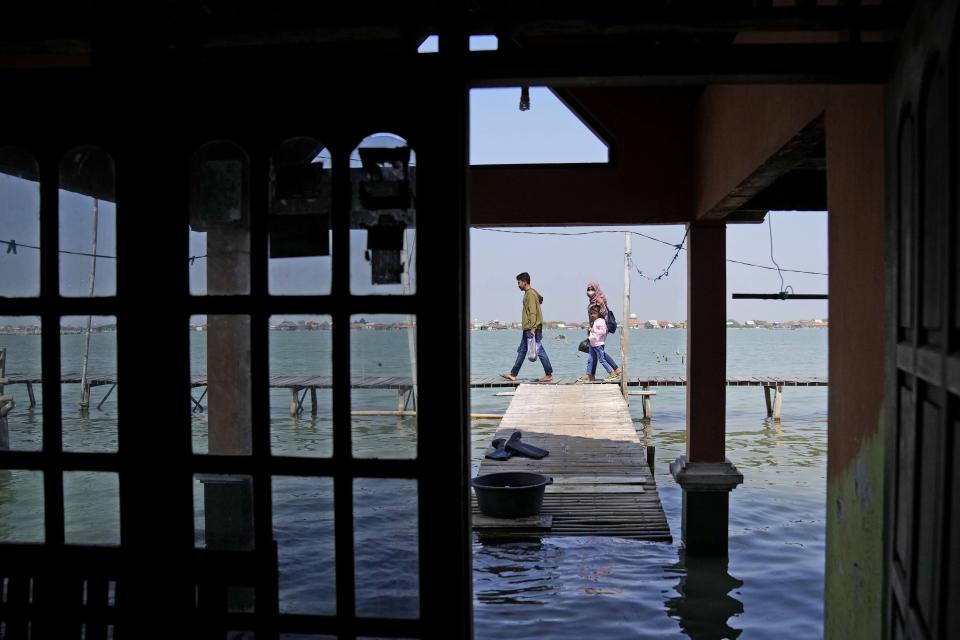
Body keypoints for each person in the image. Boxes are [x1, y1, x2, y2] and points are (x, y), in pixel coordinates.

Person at [501, 272, 554, 382]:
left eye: (519, 282)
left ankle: (549, 374)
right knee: (522, 350)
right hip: (529, 328)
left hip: (531, 328)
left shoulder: (530, 294)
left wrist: (533, 329)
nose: (518, 285)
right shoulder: (530, 293)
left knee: (539, 350)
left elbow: (533, 313)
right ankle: (513, 374)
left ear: (524, 282)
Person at [585, 281, 622, 378]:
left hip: (600, 330)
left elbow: (604, 314)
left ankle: (612, 371)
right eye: (588, 289)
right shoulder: (592, 301)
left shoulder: (599, 300)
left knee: (597, 352)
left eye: (592, 289)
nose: (590, 291)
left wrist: (598, 331)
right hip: (594, 329)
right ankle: (591, 375)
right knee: (597, 352)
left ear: (596, 289)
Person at [579, 304, 619, 382]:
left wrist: (593, 330)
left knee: (602, 360)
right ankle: (590, 376)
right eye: (591, 313)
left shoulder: (601, 321)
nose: (592, 315)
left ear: (599, 313)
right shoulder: (595, 321)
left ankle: (611, 373)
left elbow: (603, 332)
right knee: (590, 360)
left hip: (598, 345)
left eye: (594, 313)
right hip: (592, 344)